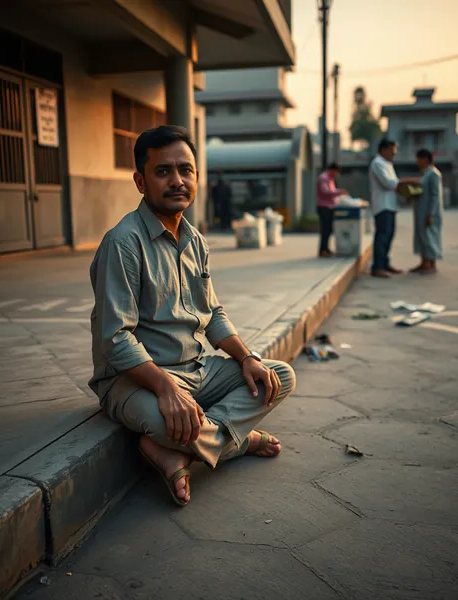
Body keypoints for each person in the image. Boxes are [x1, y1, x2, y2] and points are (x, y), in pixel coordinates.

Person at [89, 126, 296, 507]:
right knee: (168, 420)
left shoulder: (194, 240)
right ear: (140, 181)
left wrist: (246, 358)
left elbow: (212, 313)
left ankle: (178, 450)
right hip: (134, 382)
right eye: (163, 171)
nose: (177, 181)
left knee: (278, 377)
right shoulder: (124, 243)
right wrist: (166, 389)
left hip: (197, 370)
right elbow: (115, 339)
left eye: (186, 170)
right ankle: (239, 439)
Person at [368, 139, 420, 278]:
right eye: (392, 150)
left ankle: (385, 263)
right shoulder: (377, 163)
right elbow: (390, 183)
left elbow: (395, 186)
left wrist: (407, 193)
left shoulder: (388, 164)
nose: (394, 153)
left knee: (389, 235)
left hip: (390, 205)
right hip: (382, 205)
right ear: (384, 149)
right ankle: (377, 267)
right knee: (382, 236)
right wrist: (410, 180)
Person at [410, 149, 443, 275]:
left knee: (430, 237)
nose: (417, 162)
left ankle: (432, 264)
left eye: (419, 159)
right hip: (421, 210)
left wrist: (431, 214)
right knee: (422, 237)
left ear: (425, 159)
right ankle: (424, 262)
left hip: (430, 212)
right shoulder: (425, 174)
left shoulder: (434, 174)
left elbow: (435, 196)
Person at [316, 162, 347, 257]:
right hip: (324, 206)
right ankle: (322, 250)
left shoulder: (330, 178)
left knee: (329, 229)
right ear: (332, 170)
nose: (337, 175)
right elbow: (326, 191)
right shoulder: (323, 178)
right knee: (325, 229)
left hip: (330, 206)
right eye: (336, 172)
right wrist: (338, 192)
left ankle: (326, 248)